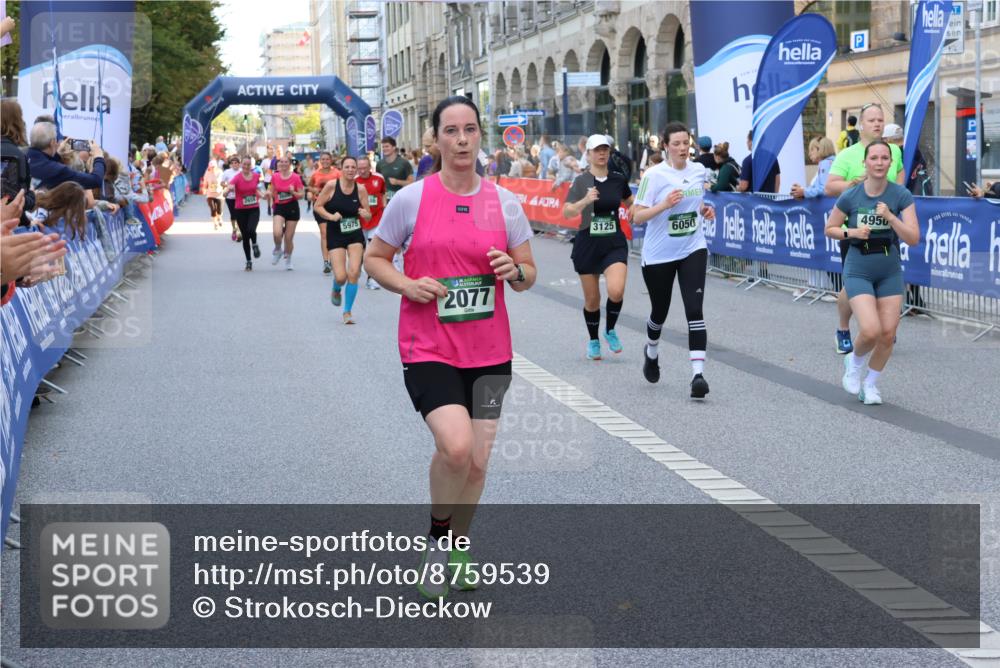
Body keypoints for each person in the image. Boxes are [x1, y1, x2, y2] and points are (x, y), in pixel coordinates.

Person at [363, 96, 536, 600]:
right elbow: (376, 258)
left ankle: (459, 545)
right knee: (456, 447)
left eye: (470, 130)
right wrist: (407, 284)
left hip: (490, 352)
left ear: (480, 135)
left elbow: (528, 273)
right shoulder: (412, 199)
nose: (461, 140)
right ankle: (437, 544)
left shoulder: (503, 203)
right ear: (435, 139)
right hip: (428, 346)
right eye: (451, 131)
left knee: (477, 462)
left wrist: (515, 270)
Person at [824, 140, 919, 405]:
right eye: (874, 158)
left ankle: (870, 385)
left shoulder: (901, 195)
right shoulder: (851, 195)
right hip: (859, 266)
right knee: (870, 330)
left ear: (891, 163)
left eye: (884, 158)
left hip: (889, 268)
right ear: (865, 162)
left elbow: (913, 238)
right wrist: (852, 232)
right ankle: (853, 363)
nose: (879, 163)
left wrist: (891, 217)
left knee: (888, 334)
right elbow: (830, 229)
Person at [633, 121, 716, 399]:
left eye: (686, 143)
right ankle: (651, 351)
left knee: (695, 309)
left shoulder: (698, 170)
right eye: (676, 144)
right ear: (666, 146)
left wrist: (705, 210)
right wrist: (664, 205)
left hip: (693, 247)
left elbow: (696, 203)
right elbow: (637, 216)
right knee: (660, 311)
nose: (682, 148)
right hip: (659, 254)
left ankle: (698, 376)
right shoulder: (654, 176)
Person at [825, 103, 906, 354]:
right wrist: (854, 184)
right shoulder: (847, 154)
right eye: (871, 120)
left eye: (880, 119)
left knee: (885, 279)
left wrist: (896, 202)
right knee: (853, 285)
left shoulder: (893, 151)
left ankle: (883, 329)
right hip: (855, 232)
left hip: (886, 229)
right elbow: (830, 186)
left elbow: (900, 178)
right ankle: (843, 329)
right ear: (861, 124)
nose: (877, 124)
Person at [562, 134, 635, 359]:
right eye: (597, 150)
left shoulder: (618, 179)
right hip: (588, 244)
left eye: (605, 149)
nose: (602, 153)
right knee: (592, 300)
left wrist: (635, 211)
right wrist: (585, 201)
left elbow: (630, 202)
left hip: (614, 243)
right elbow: (567, 211)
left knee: (616, 290)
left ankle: (610, 330)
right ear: (588, 154)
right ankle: (593, 340)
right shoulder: (581, 181)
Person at [315, 156, 371, 324]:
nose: (350, 170)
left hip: (354, 234)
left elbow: (368, 214)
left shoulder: (361, 189)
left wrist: (365, 214)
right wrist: (331, 216)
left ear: (356, 170)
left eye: (353, 167)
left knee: (354, 273)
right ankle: (336, 287)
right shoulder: (332, 186)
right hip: (336, 233)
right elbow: (318, 206)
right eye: (347, 167)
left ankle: (347, 312)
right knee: (341, 277)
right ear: (341, 168)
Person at [25, 122, 106, 191]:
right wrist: (98, 156)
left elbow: (43, 163)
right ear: (52, 142)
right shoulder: (58, 170)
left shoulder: (23, 157)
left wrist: (58, 155)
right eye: (57, 141)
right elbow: (95, 181)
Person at [223, 156, 269, 271]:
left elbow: (256, 190)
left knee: (251, 230)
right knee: (245, 236)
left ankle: (255, 244)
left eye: (248, 164)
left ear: (251, 166)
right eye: (244, 164)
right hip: (240, 210)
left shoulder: (256, 176)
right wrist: (226, 191)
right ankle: (248, 261)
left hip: (254, 208)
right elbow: (229, 186)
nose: (246, 166)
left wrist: (263, 196)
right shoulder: (237, 177)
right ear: (241, 165)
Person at [268, 156, 305, 270]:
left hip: (292, 207)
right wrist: (267, 194)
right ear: (279, 164)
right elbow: (271, 190)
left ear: (290, 164)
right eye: (281, 162)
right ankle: (278, 249)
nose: (283, 164)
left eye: (286, 162)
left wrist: (293, 192)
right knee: (277, 232)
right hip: (279, 206)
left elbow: (301, 195)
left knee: (288, 238)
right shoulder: (275, 176)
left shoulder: (296, 177)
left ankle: (288, 260)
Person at [355, 155, 385, 289]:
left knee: (372, 250)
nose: (362, 171)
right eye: (359, 168)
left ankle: (371, 278)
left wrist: (384, 208)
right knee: (361, 250)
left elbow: (383, 194)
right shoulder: (354, 180)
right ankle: (358, 268)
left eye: (365, 168)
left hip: (376, 219)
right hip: (359, 221)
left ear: (370, 167)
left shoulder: (379, 178)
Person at [309, 152, 341, 273]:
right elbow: (310, 186)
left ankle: (334, 258)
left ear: (331, 160)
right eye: (323, 159)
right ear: (320, 161)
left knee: (335, 233)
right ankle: (326, 262)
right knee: (324, 233)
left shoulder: (337, 173)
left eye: (327, 159)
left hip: (335, 206)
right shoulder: (315, 174)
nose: (325, 161)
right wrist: (314, 191)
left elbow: (344, 185)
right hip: (320, 206)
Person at [377, 137, 414, 207]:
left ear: (394, 147)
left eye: (387, 146)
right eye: (383, 147)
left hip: (401, 201)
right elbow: (379, 184)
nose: (384, 149)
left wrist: (397, 182)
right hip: (386, 203)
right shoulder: (380, 164)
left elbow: (411, 183)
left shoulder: (404, 163)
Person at [220, 156, 242, 241]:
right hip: (230, 197)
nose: (234, 164)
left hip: (240, 196)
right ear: (230, 164)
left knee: (239, 214)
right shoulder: (227, 172)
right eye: (232, 163)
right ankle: (234, 229)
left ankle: (239, 231)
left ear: (239, 164)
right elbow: (222, 183)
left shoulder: (242, 172)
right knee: (233, 214)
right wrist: (228, 186)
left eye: (236, 163)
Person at [201, 159, 225, 230]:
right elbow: (205, 182)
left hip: (219, 194)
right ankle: (215, 223)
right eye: (211, 167)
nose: (212, 168)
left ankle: (219, 217)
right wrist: (204, 189)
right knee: (213, 209)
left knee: (219, 210)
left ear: (216, 166)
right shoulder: (207, 173)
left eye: (213, 167)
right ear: (209, 167)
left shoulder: (220, 172)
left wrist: (224, 186)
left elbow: (223, 181)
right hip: (210, 194)